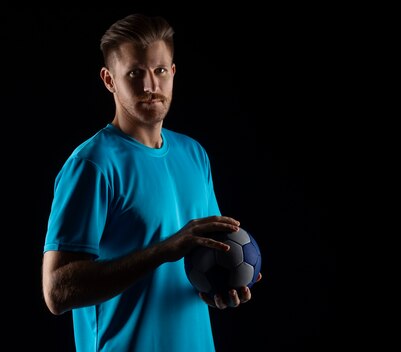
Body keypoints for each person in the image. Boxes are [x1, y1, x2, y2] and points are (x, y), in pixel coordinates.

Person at [41, 13, 261, 352]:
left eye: (159, 71)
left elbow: (203, 258)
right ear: (109, 80)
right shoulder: (92, 165)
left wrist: (220, 287)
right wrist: (162, 251)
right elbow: (56, 292)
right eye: (134, 73)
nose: (150, 86)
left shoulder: (194, 154)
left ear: (172, 73)